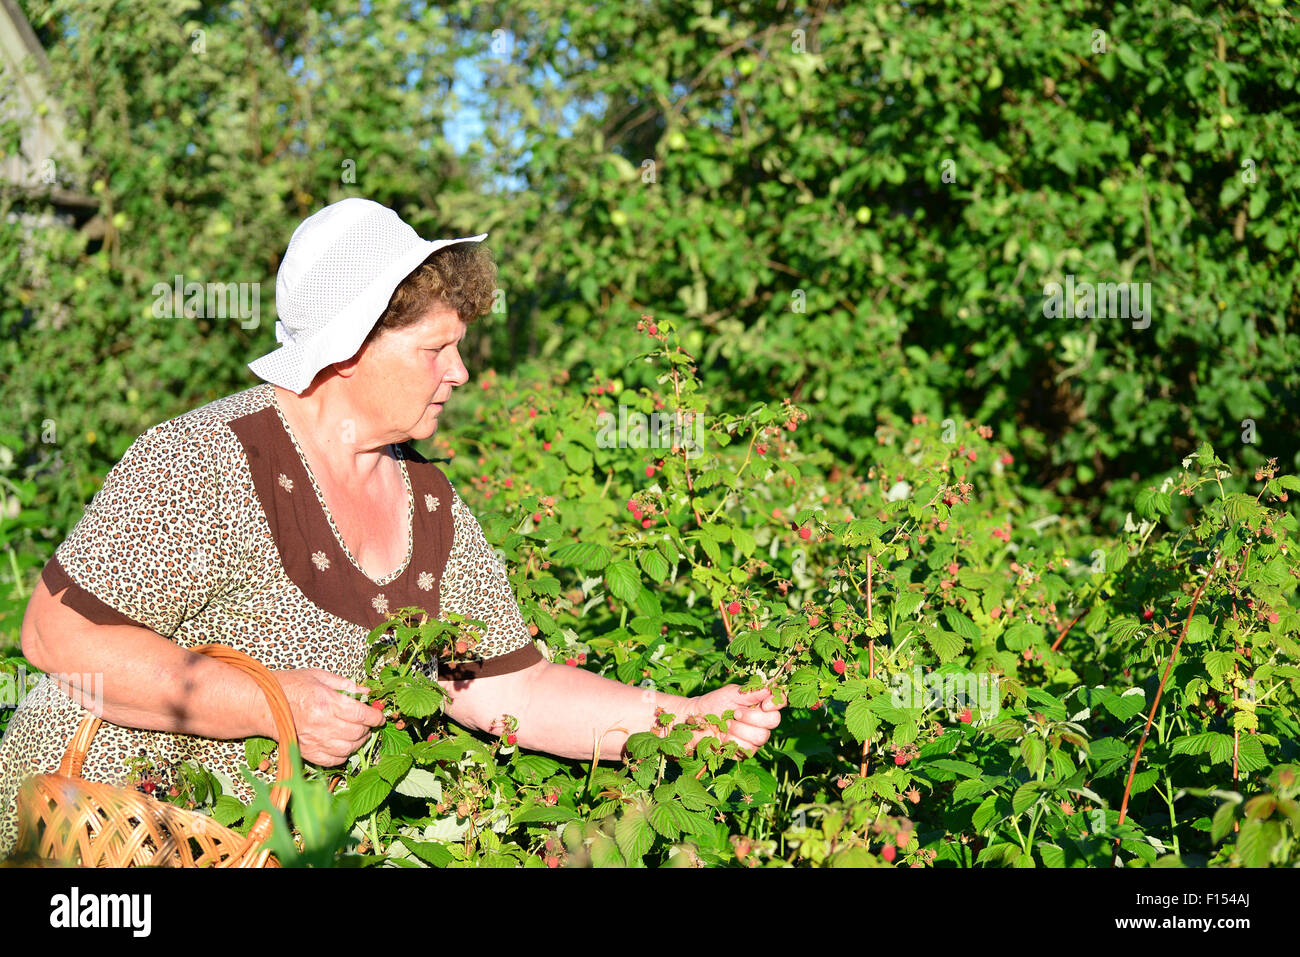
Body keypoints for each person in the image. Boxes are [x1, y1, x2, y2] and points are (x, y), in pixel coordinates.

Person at [0, 198, 782, 860]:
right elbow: (56, 636)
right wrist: (271, 701)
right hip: (98, 830)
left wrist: (688, 718)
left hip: (254, 847)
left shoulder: (428, 503)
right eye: (436, 349)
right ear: (349, 347)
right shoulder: (208, 461)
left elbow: (514, 689)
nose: (461, 373)